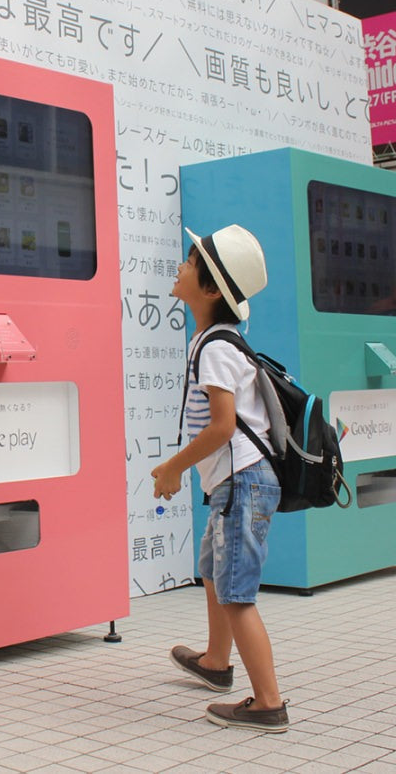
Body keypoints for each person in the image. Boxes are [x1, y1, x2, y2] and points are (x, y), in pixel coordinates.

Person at [151, 224, 289, 734]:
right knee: (214, 569)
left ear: (210, 290)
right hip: (239, 484)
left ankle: (268, 702)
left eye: (190, 262)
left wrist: (172, 467)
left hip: (243, 483)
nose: (181, 267)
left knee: (235, 591)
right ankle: (215, 661)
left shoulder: (214, 348)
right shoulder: (217, 340)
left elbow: (223, 426)